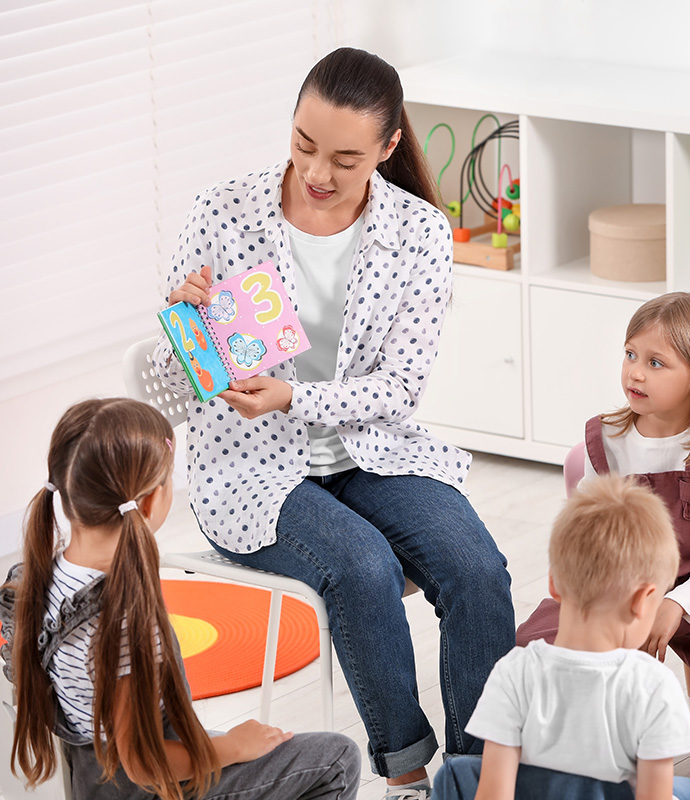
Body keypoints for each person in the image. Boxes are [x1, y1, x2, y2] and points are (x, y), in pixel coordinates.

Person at [154, 47, 515, 798]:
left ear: (387, 149)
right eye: (303, 145)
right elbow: (181, 382)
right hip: (254, 466)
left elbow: (401, 388)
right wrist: (183, 321)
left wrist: (296, 399)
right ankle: (409, 775)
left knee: (479, 570)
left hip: (374, 450)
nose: (318, 172)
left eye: (345, 159)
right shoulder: (224, 212)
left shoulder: (417, 232)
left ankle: (481, 777)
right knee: (361, 568)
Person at [0, 398, 359, 800]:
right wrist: (233, 747)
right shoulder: (122, 623)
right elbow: (142, 763)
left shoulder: (32, 581)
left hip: (91, 774)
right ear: (151, 500)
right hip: (148, 787)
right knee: (336, 759)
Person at [516, 292, 690, 800]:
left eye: (656, 363)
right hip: (618, 581)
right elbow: (587, 534)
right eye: (630, 355)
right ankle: (585, 758)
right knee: (534, 640)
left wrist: (677, 603)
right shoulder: (605, 438)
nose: (636, 373)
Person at [434, 474, 690, 800]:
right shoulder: (654, 686)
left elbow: (494, 794)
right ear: (642, 600)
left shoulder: (513, 671)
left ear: (554, 583)